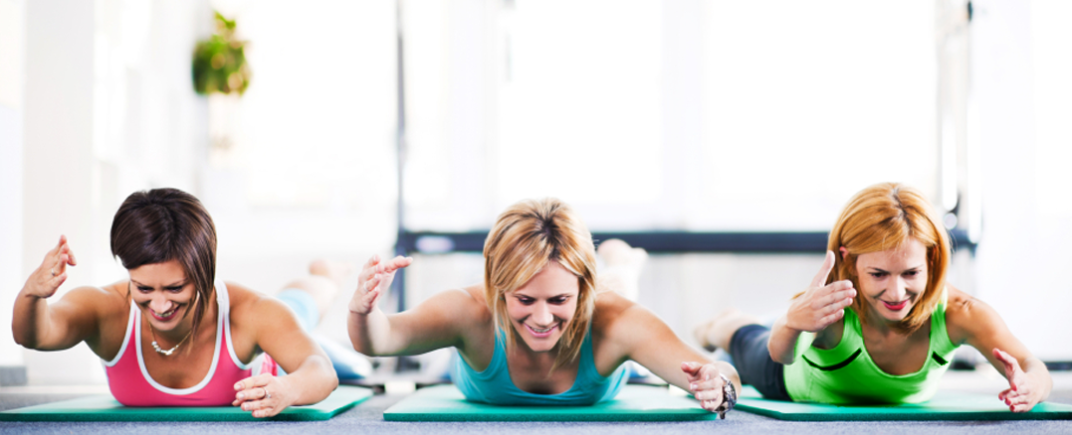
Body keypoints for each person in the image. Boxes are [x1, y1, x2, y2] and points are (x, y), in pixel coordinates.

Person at [348, 198, 741, 417]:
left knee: (619, 289)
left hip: (606, 313)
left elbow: (723, 376)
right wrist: (364, 311)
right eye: (524, 299)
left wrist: (718, 386)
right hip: (461, 372)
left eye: (559, 299)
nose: (541, 318)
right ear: (497, 286)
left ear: (583, 288)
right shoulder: (467, 310)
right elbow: (380, 340)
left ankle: (623, 263)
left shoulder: (618, 321)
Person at [694, 182, 1052, 411]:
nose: (896, 293)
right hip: (786, 377)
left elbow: (1033, 367)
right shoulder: (831, 310)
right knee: (743, 337)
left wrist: (1032, 385)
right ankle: (721, 323)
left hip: (807, 331)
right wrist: (791, 324)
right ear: (849, 260)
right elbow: (781, 354)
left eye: (910, 273)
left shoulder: (962, 313)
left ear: (931, 259)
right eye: (879, 274)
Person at [12, 188, 338, 418]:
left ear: (205, 272)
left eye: (175, 288)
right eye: (143, 288)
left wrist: (288, 388)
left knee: (300, 305)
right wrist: (32, 295)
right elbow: (35, 336)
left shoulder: (251, 311)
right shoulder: (104, 308)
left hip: (276, 351)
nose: (159, 305)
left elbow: (322, 371)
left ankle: (327, 276)